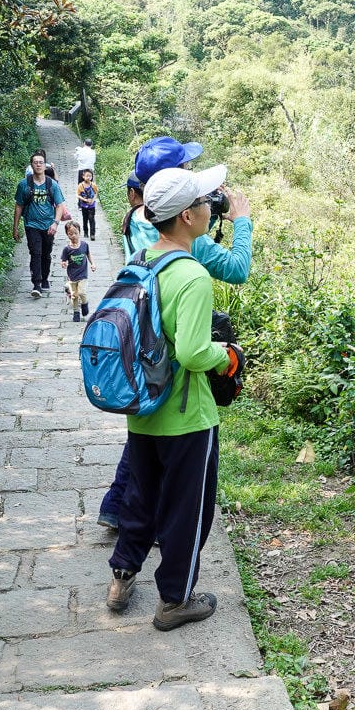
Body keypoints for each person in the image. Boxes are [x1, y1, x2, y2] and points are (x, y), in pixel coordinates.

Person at [105, 165, 241, 631]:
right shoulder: (193, 275)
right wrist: (227, 356)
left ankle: (122, 576)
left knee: (141, 497)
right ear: (186, 216)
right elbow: (192, 351)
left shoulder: (140, 260)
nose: (210, 208)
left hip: (142, 409)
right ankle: (175, 601)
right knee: (188, 509)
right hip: (186, 417)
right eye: (204, 203)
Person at [97, 139, 253, 530]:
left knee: (143, 445)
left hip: (140, 348)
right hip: (175, 374)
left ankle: (118, 510)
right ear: (183, 210)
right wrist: (242, 222)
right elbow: (237, 269)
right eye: (186, 169)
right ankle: (148, 524)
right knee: (169, 452)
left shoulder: (136, 219)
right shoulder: (189, 248)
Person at [13, 152, 70, 298]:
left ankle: (44, 278)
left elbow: (59, 205)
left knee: (46, 253)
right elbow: (19, 206)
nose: (38, 164)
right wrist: (15, 227)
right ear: (31, 165)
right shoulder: (24, 184)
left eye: (41, 162)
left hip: (48, 225)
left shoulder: (52, 185)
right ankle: (36, 284)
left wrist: (55, 223)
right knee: (35, 253)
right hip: (31, 224)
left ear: (45, 166)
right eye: (35, 162)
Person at [59, 220, 95, 322]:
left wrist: (93, 264)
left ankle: (84, 304)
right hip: (72, 276)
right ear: (67, 234)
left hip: (83, 274)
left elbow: (88, 254)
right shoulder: (67, 249)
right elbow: (63, 260)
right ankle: (76, 312)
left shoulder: (84, 245)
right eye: (70, 234)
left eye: (76, 233)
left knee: (82, 292)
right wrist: (64, 264)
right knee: (74, 295)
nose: (73, 236)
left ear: (79, 232)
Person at [76, 169, 98, 241]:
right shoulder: (81, 185)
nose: (88, 178)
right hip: (84, 205)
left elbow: (96, 193)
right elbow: (78, 195)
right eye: (87, 176)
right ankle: (85, 231)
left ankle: (92, 234)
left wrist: (93, 200)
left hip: (92, 205)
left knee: (92, 219)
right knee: (85, 219)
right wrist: (84, 200)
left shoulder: (93, 185)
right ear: (83, 176)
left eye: (90, 176)